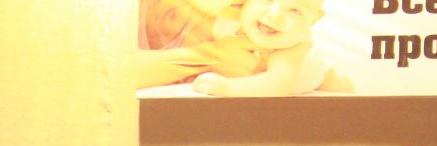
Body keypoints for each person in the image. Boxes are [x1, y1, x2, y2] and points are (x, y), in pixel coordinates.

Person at [137, 0, 353, 97]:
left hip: (318, 78)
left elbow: (278, 83)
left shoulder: (296, 44)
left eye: (295, 11)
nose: (275, 15)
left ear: (314, 19)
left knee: (341, 87)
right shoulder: (230, 21)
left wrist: (228, 89)